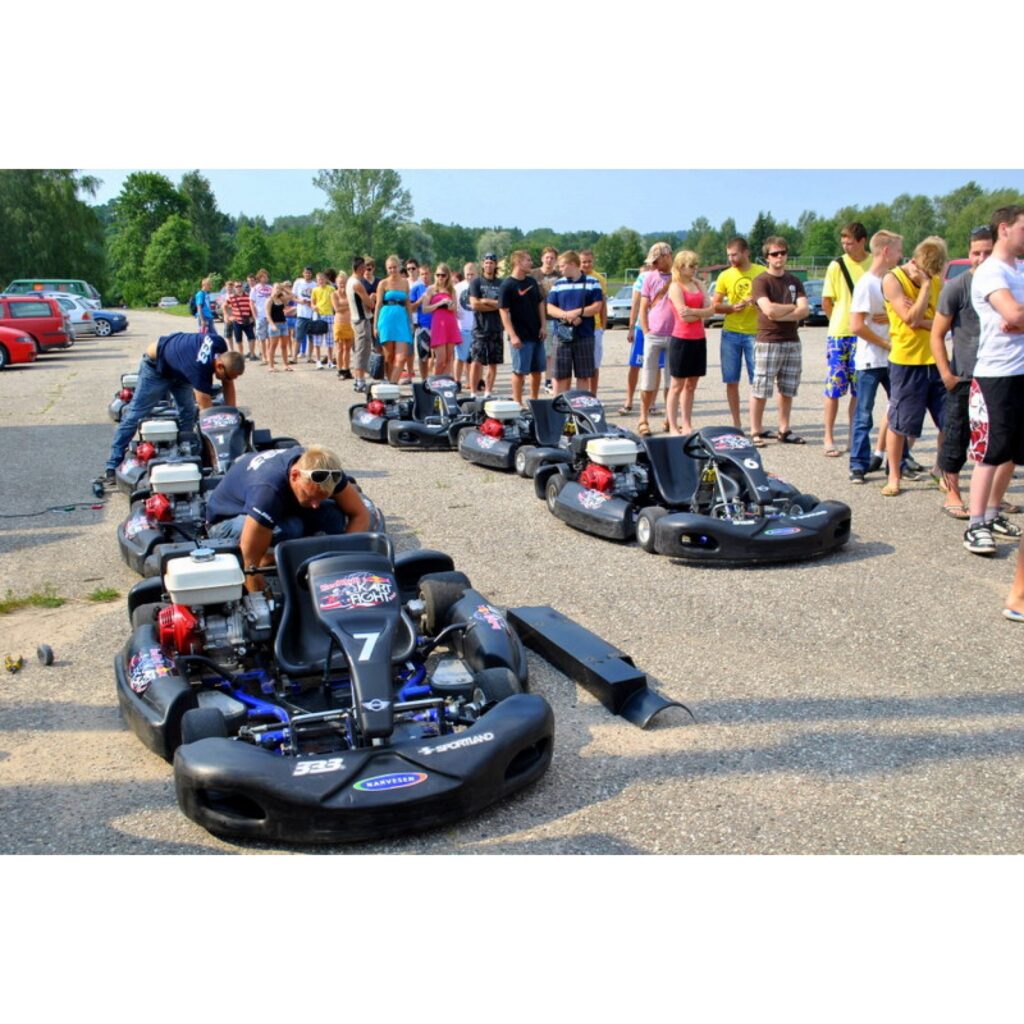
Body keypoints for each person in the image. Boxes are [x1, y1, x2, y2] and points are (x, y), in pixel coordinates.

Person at [206, 445, 371, 594]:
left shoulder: (327, 472)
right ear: (295, 475)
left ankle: (303, 554)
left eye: (321, 497)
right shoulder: (268, 490)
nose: (315, 505)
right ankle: (272, 560)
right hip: (227, 521)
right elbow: (250, 564)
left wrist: (344, 559)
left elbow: (360, 514)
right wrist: (263, 597)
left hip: (274, 505)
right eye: (310, 496)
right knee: (292, 528)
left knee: (334, 515)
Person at [931, 227, 1014, 521]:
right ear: (968, 254)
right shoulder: (957, 287)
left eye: (987, 252)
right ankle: (952, 492)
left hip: (1001, 375)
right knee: (957, 436)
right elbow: (936, 334)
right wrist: (946, 374)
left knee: (1000, 440)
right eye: (976, 252)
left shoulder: (1007, 283)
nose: (981, 258)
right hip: (965, 376)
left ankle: (992, 499)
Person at [101, 331, 245, 482]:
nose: (229, 380)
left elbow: (228, 384)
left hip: (180, 370)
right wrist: (217, 458)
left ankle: (185, 454)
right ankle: (112, 465)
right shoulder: (199, 370)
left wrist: (232, 418)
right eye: (228, 376)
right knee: (135, 415)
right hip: (156, 368)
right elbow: (208, 420)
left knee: (188, 413)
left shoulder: (221, 347)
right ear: (220, 366)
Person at [967, 206, 1024, 563]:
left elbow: (1017, 316)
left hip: (1021, 373)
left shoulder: (1020, 270)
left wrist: (1018, 318)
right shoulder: (991, 272)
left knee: (1013, 453)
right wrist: (1016, 316)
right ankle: (975, 525)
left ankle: (991, 513)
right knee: (989, 452)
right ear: (1005, 229)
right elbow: (1013, 313)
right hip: (996, 375)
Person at [880, 236, 948, 496]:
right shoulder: (893, 279)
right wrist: (924, 290)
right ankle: (894, 476)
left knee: (949, 422)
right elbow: (910, 318)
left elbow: (944, 321)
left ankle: (941, 470)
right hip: (906, 362)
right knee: (900, 424)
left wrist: (924, 318)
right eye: (927, 271)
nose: (931, 276)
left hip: (936, 360)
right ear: (916, 261)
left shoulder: (937, 281)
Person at [847, 230, 903, 483]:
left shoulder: (893, 282)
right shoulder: (867, 284)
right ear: (886, 251)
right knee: (863, 415)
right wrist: (885, 343)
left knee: (900, 411)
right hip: (870, 360)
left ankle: (899, 461)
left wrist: (890, 316)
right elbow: (856, 325)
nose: (900, 256)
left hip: (894, 359)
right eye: (898, 251)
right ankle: (858, 464)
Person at [749, 236, 808, 446]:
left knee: (787, 388)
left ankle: (784, 429)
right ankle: (756, 430)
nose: (779, 257)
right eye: (774, 254)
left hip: (792, 340)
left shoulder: (794, 281)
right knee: (761, 387)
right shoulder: (760, 281)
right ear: (767, 257)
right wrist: (792, 308)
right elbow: (769, 311)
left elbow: (804, 310)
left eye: (783, 253)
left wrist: (783, 312)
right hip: (768, 340)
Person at [821, 222, 872, 456]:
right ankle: (828, 437)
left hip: (864, 335)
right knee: (833, 387)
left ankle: (854, 437)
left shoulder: (873, 263)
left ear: (862, 241)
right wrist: (837, 321)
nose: (846, 246)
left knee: (859, 390)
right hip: (839, 334)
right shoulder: (836, 265)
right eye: (843, 242)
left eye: (850, 243)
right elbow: (827, 301)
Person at [713, 236, 765, 430]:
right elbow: (715, 305)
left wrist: (758, 301)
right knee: (731, 380)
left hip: (755, 332)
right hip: (731, 333)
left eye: (734, 255)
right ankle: (736, 423)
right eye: (729, 255)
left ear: (746, 252)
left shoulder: (761, 272)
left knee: (757, 381)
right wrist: (731, 307)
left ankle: (755, 425)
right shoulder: (725, 276)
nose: (731, 259)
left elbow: (772, 299)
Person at [666, 250, 712, 435]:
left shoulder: (699, 284)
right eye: (691, 266)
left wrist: (696, 312)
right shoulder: (675, 287)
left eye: (695, 265)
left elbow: (710, 310)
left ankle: (686, 423)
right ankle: (672, 425)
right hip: (681, 339)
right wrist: (701, 313)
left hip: (699, 338)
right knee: (676, 385)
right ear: (681, 267)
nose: (694, 269)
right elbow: (683, 316)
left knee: (691, 385)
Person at [545, 250, 603, 396]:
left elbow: (597, 306)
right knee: (560, 375)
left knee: (583, 375)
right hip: (562, 335)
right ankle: (559, 405)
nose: (559, 269)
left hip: (584, 335)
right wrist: (567, 315)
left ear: (572, 264)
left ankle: (580, 406)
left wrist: (577, 312)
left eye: (562, 265)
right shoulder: (558, 284)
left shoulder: (592, 282)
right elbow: (550, 308)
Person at [637, 242, 675, 435]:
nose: (653, 265)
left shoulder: (678, 276)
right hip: (654, 334)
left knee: (672, 381)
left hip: (675, 334)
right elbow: (643, 306)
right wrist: (646, 331)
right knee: (648, 378)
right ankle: (643, 418)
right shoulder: (650, 277)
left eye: (656, 261)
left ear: (667, 256)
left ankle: (669, 418)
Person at [499, 250, 546, 405]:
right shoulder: (507, 285)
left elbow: (540, 303)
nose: (531, 263)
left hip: (536, 334)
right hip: (520, 336)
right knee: (519, 371)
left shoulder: (532, 282)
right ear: (518, 262)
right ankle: (517, 403)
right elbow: (503, 312)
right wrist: (512, 335)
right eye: (528, 260)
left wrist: (543, 326)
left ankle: (534, 401)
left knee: (537, 371)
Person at [468, 252, 505, 395]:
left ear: (495, 265)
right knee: (476, 362)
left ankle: (488, 392)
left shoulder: (501, 284)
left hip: (496, 327)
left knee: (493, 363)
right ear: (483, 264)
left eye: (491, 263)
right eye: (486, 262)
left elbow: (505, 305)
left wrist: (485, 301)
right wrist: (495, 305)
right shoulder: (476, 282)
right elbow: (475, 304)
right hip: (480, 328)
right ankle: (473, 392)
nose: (489, 265)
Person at [374, 255, 414, 382]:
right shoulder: (383, 283)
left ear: (399, 267)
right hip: (386, 320)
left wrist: (411, 322)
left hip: (401, 320)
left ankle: (392, 383)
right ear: (387, 269)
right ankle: (390, 385)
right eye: (390, 268)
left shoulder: (405, 282)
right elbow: (378, 305)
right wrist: (375, 325)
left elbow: (408, 303)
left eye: (395, 267)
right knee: (389, 356)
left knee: (401, 357)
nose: (393, 270)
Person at [422, 263, 461, 378]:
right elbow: (424, 309)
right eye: (438, 275)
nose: (440, 277)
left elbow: (455, 308)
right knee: (440, 360)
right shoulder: (431, 289)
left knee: (449, 358)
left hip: (450, 324)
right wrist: (439, 304)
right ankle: (434, 382)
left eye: (443, 275)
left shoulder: (451, 290)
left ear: (447, 276)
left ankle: (445, 382)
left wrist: (450, 305)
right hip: (438, 325)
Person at [531, 246, 560, 392]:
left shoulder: (559, 276)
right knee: (533, 351)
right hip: (534, 317)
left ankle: (548, 380)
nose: (549, 260)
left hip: (554, 317)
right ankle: (527, 379)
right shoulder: (533, 274)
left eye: (552, 258)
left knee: (551, 352)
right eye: (547, 257)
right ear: (542, 258)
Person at [345, 256, 376, 392]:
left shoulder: (349, 281)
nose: (366, 270)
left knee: (359, 350)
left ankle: (359, 379)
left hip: (355, 319)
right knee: (362, 351)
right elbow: (370, 304)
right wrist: (372, 297)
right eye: (365, 267)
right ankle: (360, 381)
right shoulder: (357, 284)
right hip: (362, 320)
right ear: (360, 268)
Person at [579, 250, 608, 395]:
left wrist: (603, 326)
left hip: (595, 326)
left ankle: (593, 394)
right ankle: (581, 394)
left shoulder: (599, 279)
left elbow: (603, 305)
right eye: (583, 262)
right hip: (578, 326)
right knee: (580, 364)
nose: (586, 264)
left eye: (589, 261)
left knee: (594, 364)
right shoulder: (574, 277)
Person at [454, 261, 477, 389]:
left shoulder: (479, 285)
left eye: (472, 274)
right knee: (460, 357)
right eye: (467, 274)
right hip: (462, 328)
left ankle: (473, 382)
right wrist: (455, 311)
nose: (470, 276)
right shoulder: (457, 287)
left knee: (474, 359)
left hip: (477, 328)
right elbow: (453, 304)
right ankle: (457, 381)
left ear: (476, 273)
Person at [409, 263, 434, 381]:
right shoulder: (416, 288)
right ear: (419, 275)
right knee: (423, 356)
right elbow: (410, 308)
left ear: (430, 274)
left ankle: (435, 379)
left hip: (437, 326)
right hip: (422, 326)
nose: (424, 276)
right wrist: (419, 301)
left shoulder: (436, 288)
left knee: (436, 356)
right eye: (422, 274)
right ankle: (424, 380)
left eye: (426, 274)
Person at [225, 280, 258, 361]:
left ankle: (252, 354)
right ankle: (241, 355)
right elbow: (224, 307)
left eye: (240, 286)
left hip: (248, 320)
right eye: (237, 286)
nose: (239, 288)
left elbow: (253, 306)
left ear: (242, 287)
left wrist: (252, 317)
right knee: (239, 340)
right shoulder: (231, 297)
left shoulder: (248, 296)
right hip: (237, 321)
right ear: (234, 288)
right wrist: (229, 317)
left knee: (252, 338)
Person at [331, 271, 355, 380]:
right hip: (339, 323)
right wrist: (349, 305)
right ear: (336, 283)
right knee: (340, 348)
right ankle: (340, 369)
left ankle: (347, 369)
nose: (342, 285)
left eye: (344, 283)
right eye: (340, 283)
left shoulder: (350, 293)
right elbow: (337, 309)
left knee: (347, 348)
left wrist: (346, 306)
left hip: (350, 323)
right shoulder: (334, 294)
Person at [265, 282, 293, 372]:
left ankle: (286, 365)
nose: (278, 290)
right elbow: (267, 315)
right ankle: (271, 366)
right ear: (272, 289)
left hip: (283, 324)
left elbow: (292, 295)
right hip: (275, 324)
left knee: (284, 346)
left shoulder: (281, 299)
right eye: (276, 288)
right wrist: (272, 325)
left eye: (279, 289)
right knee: (273, 346)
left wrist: (283, 288)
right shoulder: (269, 300)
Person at [310, 270, 335, 369]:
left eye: (322, 279)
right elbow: (312, 303)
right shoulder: (315, 290)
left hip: (329, 315)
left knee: (329, 340)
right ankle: (318, 361)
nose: (320, 281)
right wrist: (314, 307)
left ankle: (330, 361)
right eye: (319, 279)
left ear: (326, 279)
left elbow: (334, 301)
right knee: (317, 340)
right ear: (317, 280)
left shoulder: (331, 289)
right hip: (318, 315)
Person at [292, 266, 316, 363]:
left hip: (312, 314)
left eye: (309, 273)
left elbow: (317, 299)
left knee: (312, 337)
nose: (307, 274)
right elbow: (293, 296)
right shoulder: (298, 282)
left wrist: (311, 303)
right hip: (301, 314)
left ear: (311, 274)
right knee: (298, 337)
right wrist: (300, 301)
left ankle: (309, 357)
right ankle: (294, 357)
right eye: (306, 272)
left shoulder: (315, 284)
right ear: (303, 273)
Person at [250, 269, 274, 364]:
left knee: (270, 338)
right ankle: (264, 357)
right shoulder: (255, 288)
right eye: (263, 277)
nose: (266, 278)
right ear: (259, 278)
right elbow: (251, 303)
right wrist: (255, 315)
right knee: (262, 338)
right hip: (260, 316)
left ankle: (270, 357)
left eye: (266, 276)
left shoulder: (271, 288)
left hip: (270, 316)